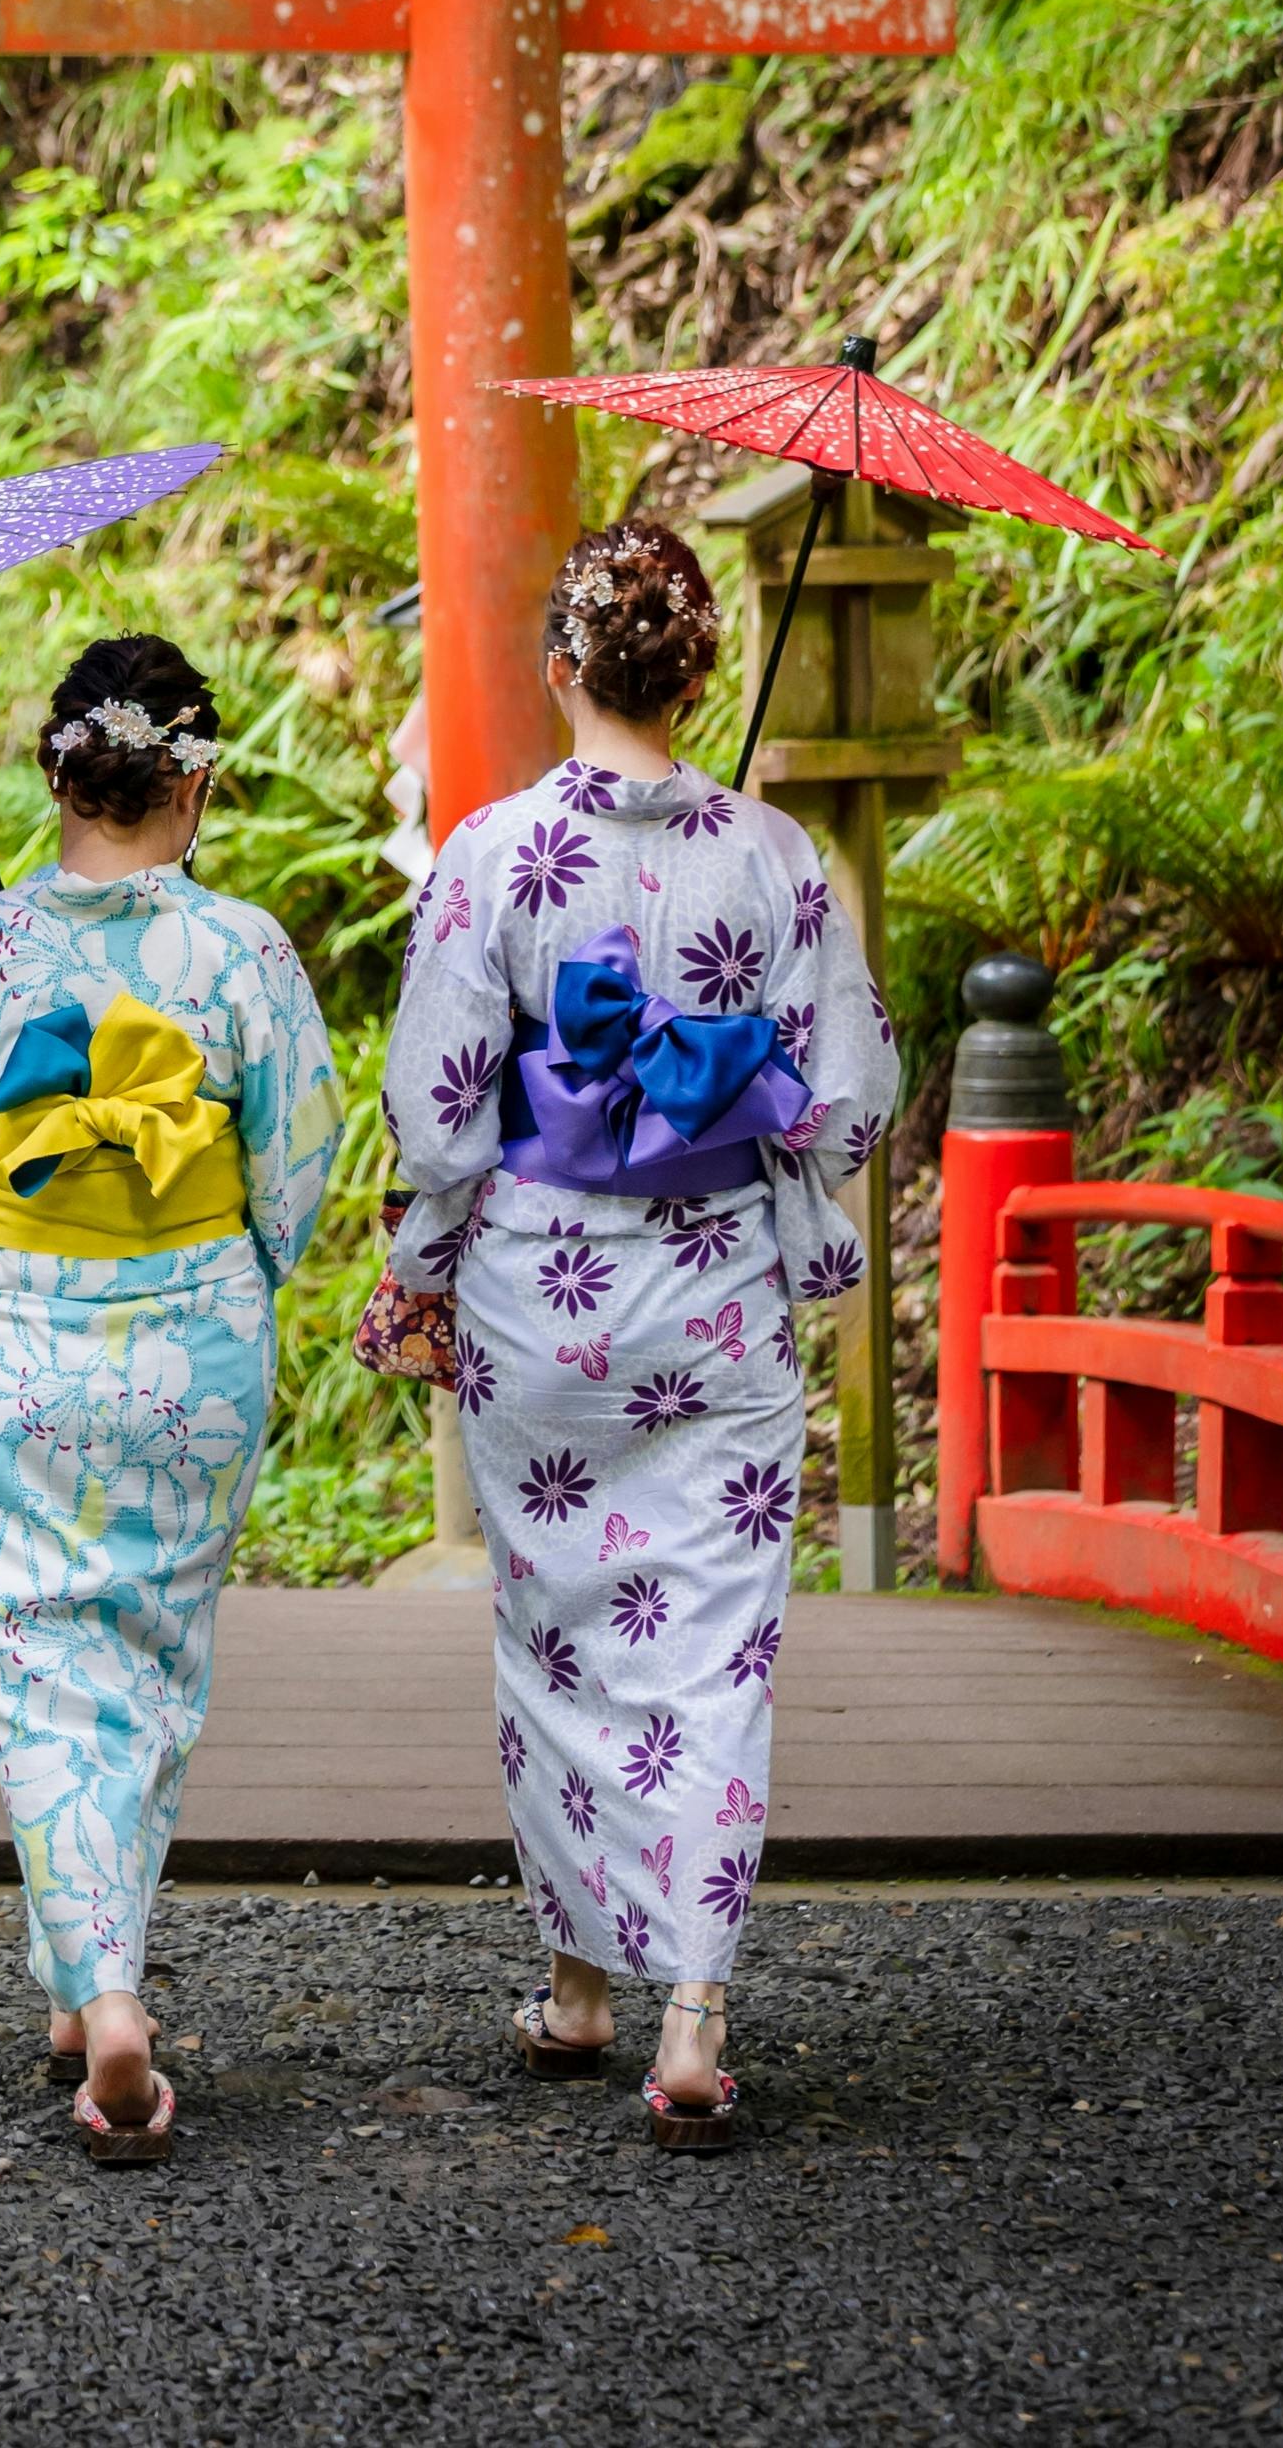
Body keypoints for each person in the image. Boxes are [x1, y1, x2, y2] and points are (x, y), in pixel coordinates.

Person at [381, 518, 898, 2146]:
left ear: (559, 668)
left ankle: (577, 1990)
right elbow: (847, 1098)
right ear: (696, 673)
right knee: (712, 1648)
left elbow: (444, 1111)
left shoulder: (487, 852)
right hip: (718, 1284)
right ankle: (692, 2014)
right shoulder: (775, 858)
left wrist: (423, 1252)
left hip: (543, 1295)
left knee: (559, 1637)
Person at [0, 629, 340, 2168]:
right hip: (193, 1327)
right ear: (190, 779)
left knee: (31, 1652)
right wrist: (228, 1267)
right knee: (151, 1648)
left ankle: (106, 1987)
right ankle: (88, 1980)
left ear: (56, 774)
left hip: (22, 1332)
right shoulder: (245, 950)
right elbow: (300, 1159)